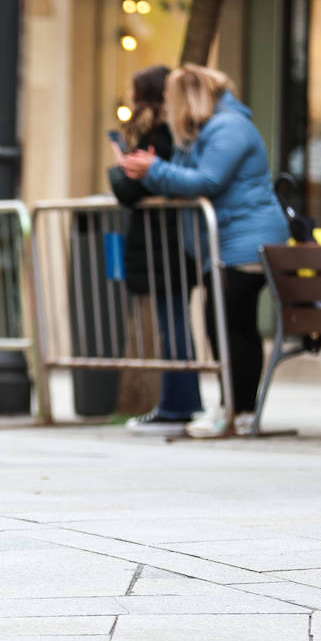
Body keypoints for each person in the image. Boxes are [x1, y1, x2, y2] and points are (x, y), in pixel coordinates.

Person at [117, 64, 289, 437]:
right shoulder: (205, 131)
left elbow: (206, 181)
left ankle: (239, 409)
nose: (169, 107)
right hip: (229, 242)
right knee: (227, 324)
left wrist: (153, 169)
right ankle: (236, 408)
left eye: (173, 99)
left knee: (231, 325)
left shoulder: (228, 127)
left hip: (245, 241)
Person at [106, 65, 203, 432]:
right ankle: (179, 401)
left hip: (168, 242)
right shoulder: (174, 133)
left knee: (173, 321)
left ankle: (178, 405)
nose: (129, 98)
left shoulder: (162, 134)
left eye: (133, 90)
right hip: (170, 242)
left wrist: (121, 171)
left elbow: (137, 188)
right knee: (173, 320)